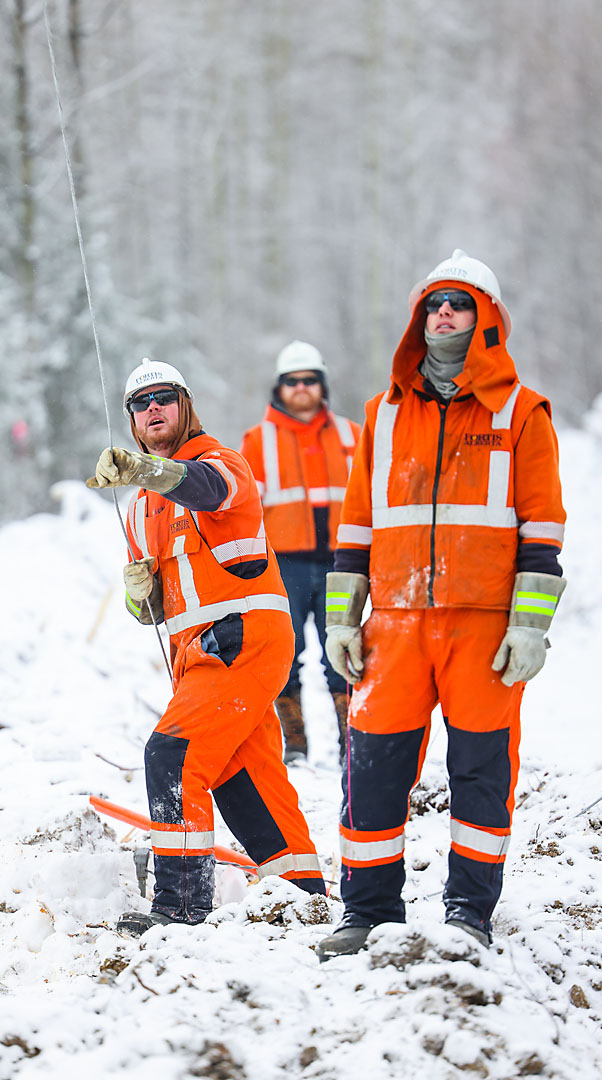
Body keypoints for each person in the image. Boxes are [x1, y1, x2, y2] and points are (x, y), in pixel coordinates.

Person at [316, 250, 567, 960]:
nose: (444, 314)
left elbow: (543, 532)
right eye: (434, 304)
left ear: (486, 318)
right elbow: (356, 527)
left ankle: (468, 913)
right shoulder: (382, 414)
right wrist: (342, 617)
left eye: (459, 303)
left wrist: (530, 625)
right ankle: (365, 910)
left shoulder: (522, 412)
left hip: (483, 628)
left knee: (482, 771)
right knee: (371, 769)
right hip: (393, 626)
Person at [87, 358, 326, 936]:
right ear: (131, 419)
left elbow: (210, 491)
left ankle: (181, 908)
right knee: (243, 775)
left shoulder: (218, 461)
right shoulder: (143, 506)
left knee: (172, 757)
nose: (153, 410)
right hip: (198, 652)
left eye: (164, 399)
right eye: (141, 406)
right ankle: (304, 897)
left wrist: (146, 469)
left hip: (240, 637)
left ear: (185, 405)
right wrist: (138, 597)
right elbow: (157, 608)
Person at [240, 341, 360, 764]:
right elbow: (243, 508)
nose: (302, 388)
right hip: (283, 564)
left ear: (322, 384)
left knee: (343, 651)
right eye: (293, 381)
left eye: (309, 380)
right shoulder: (257, 440)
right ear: (280, 387)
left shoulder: (351, 434)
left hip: (341, 563)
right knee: (284, 655)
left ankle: (352, 740)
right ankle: (294, 742)